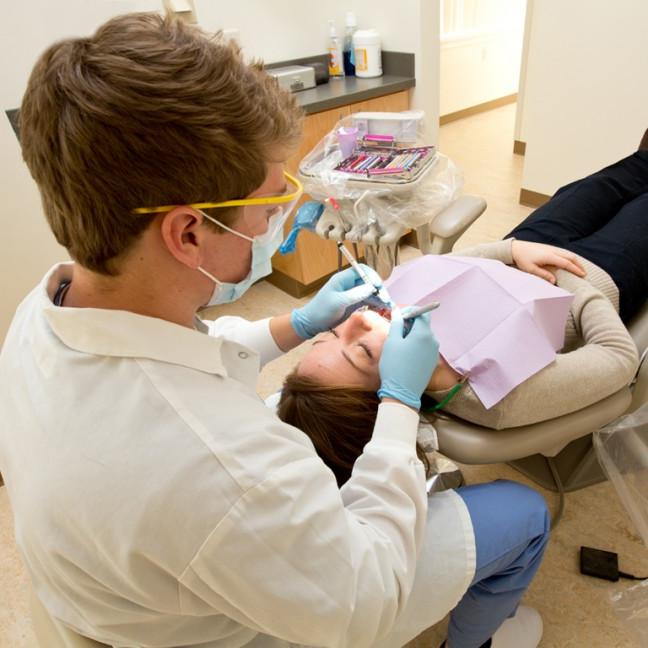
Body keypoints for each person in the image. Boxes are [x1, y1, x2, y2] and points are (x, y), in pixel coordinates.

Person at [0, 13, 549, 648]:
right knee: (521, 514)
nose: (276, 220)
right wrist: (398, 404)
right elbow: (363, 596)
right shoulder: (225, 471)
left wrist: (297, 324)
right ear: (187, 233)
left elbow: (189, 362)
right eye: (269, 201)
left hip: (121, 595)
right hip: (253, 624)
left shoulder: (45, 311)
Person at [280, 149, 646, 437]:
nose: (357, 318)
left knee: (606, 184)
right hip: (593, 276)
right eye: (359, 350)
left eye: (330, 333)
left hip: (526, 247)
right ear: (392, 391)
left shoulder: (394, 316)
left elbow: (451, 268)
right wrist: (569, 279)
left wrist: (511, 250)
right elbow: (618, 358)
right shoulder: (499, 398)